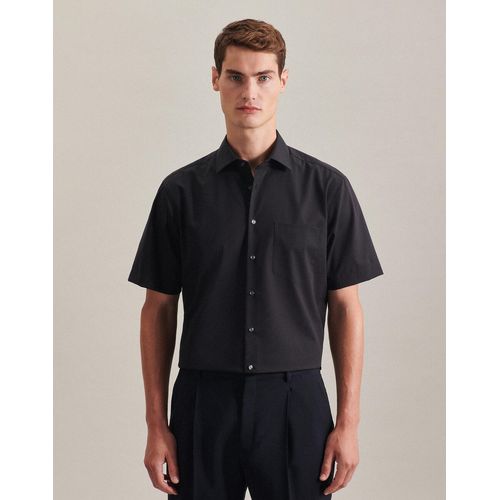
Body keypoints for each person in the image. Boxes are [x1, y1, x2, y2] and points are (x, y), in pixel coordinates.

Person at [128, 18, 383, 500]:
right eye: (236, 76)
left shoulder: (328, 190)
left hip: (296, 402)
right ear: (215, 80)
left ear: (283, 81)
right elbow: (157, 308)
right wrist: (156, 424)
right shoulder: (180, 193)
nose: (250, 92)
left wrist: (348, 423)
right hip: (204, 402)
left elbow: (346, 307)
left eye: (263, 77)